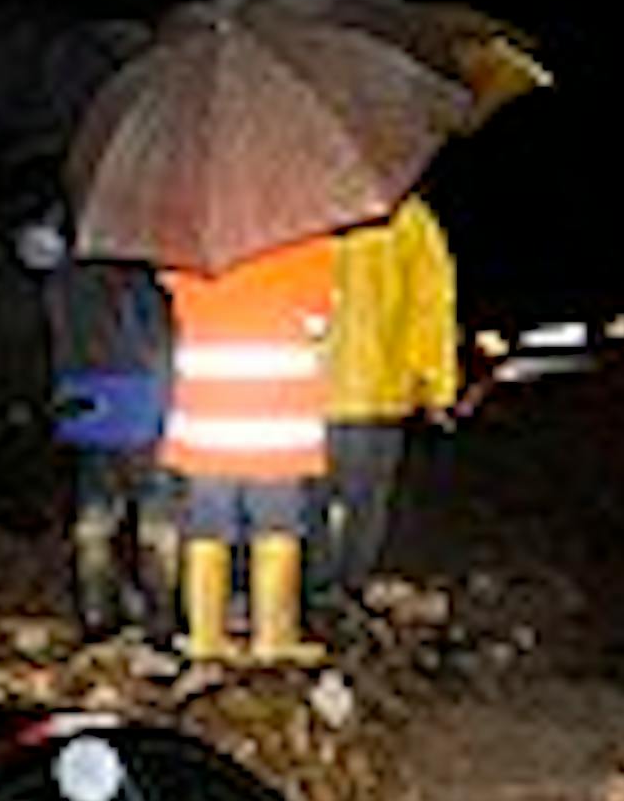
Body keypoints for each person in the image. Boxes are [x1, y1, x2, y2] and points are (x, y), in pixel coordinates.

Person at [160, 233, 335, 664]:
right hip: (275, 421)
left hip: (207, 419)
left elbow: (178, 307)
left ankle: (205, 638)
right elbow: (318, 325)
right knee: (277, 528)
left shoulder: (188, 245)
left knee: (206, 528)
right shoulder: (308, 244)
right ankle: (272, 640)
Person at [21, 214, 179, 643]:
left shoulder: (63, 274)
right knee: (157, 519)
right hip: (140, 406)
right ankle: (160, 621)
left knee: (95, 515)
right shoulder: (141, 272)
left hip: (84, 405)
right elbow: (158, 343)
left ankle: (97, 615)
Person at [317, 195, 459, 600]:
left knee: (310, 502)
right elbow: (430, 305)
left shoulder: (302, 213)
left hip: (307, 388)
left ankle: (314, 595)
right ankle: (347, 591)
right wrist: (437, 386)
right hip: (378, 388)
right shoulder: (410, 218)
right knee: (363, 502)